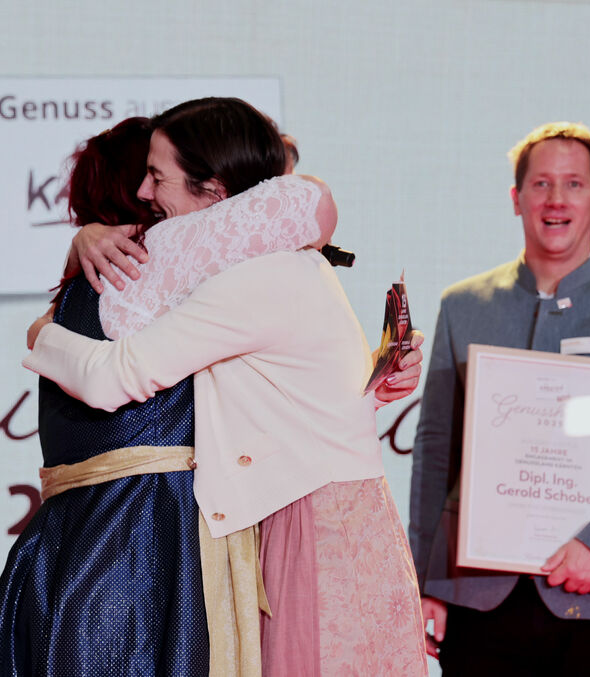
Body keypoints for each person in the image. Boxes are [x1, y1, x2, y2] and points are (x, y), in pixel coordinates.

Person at [24, 97, 429, 676]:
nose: (143, 192)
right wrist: (85, 239)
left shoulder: (254, 277)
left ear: (213, 191)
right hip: (314, 513)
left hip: (309, 524)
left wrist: (42, 333)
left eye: (158, 177)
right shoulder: (279, 262)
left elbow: (115, 376)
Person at [0, 113, 351, 677]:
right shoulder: (170, 272)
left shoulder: (84, 288)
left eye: (160, 177)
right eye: (147, 178)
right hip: (155, 539)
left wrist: (54, 303)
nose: (153, 192)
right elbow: (305, 203)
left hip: (59, 548)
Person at [409, 121, 590, 676]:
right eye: (542, 183)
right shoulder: (464, 306)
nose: (556, 199)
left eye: (574, 184)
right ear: (516, 198)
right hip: (480, 606)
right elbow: (435, 451)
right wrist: (426, 581)